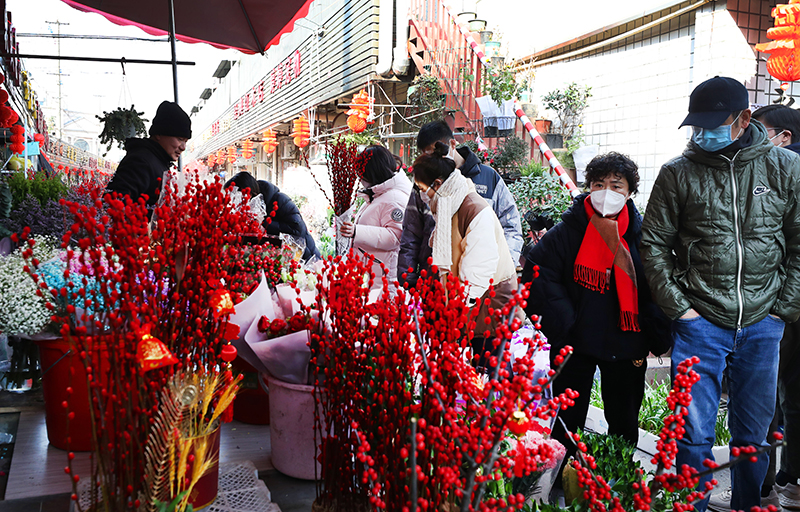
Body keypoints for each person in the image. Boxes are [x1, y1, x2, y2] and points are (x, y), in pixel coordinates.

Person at [641, 76, 800, 512]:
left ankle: (748, 505)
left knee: (754, 434)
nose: (702, 133)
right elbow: (653, 244)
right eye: (697, 125)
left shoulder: (786, 168)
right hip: (700, 321)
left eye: (714, 123)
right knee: (692, 434)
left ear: (744, 119)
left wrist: (783, 309)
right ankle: (691, 505)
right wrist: (680, 308)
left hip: (764, 321)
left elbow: (799, 241)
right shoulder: (677, 173)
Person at [521, 152, 670, 474]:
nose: (606, 192)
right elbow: (538, 272)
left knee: (624, 416)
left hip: (626, 338)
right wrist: (566, 320)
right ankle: (562, 475)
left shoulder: (643, 235)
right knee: (568, 415)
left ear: (630, 192)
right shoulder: (569, 230)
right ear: (588, 187)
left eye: (617, 186)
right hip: (577, 340)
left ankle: (617, 477)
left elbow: (659, 281)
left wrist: (650, 324)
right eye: (599, 184)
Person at [411, 142, 519, 370]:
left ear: (438, 184)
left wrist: (457, 312)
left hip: (489, 302)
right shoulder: (448, 203)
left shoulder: (472, 208)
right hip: (471, 303)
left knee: (488, 376)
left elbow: (479, 269)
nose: (421, 195)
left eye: (421, 188)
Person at [398, 120, 523, 289]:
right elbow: (412, 233)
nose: (434, 160)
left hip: (480, 287)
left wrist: (498, 271)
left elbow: (511, 227)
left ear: (452, 144)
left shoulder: (488, 178)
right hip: (434, 284)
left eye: (437, 153)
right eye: (428, 156)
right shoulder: (424, 183)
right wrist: (408, 278)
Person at [338, 145, 412, 286]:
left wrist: (357, 231)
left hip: (381, 279)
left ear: (372, 174)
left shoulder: (394, 198)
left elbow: (395, 237)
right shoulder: (378, 194)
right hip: (371, 275)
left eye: (361, 175)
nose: (360, 180)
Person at [106, 101, 191, 216]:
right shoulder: (140, 161)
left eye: (185, 141)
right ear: (159, 134)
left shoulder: (159, 160)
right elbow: (113, 205)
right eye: (180, 139)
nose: (183, 147)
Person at [224, 171, 319, 261]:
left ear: (248, 193)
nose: (234, 201)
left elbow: (297, 230)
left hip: (306, 260)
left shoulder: (280, 200)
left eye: (235, 196)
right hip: (282, 260)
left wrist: (262, 222)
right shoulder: (248, 211)